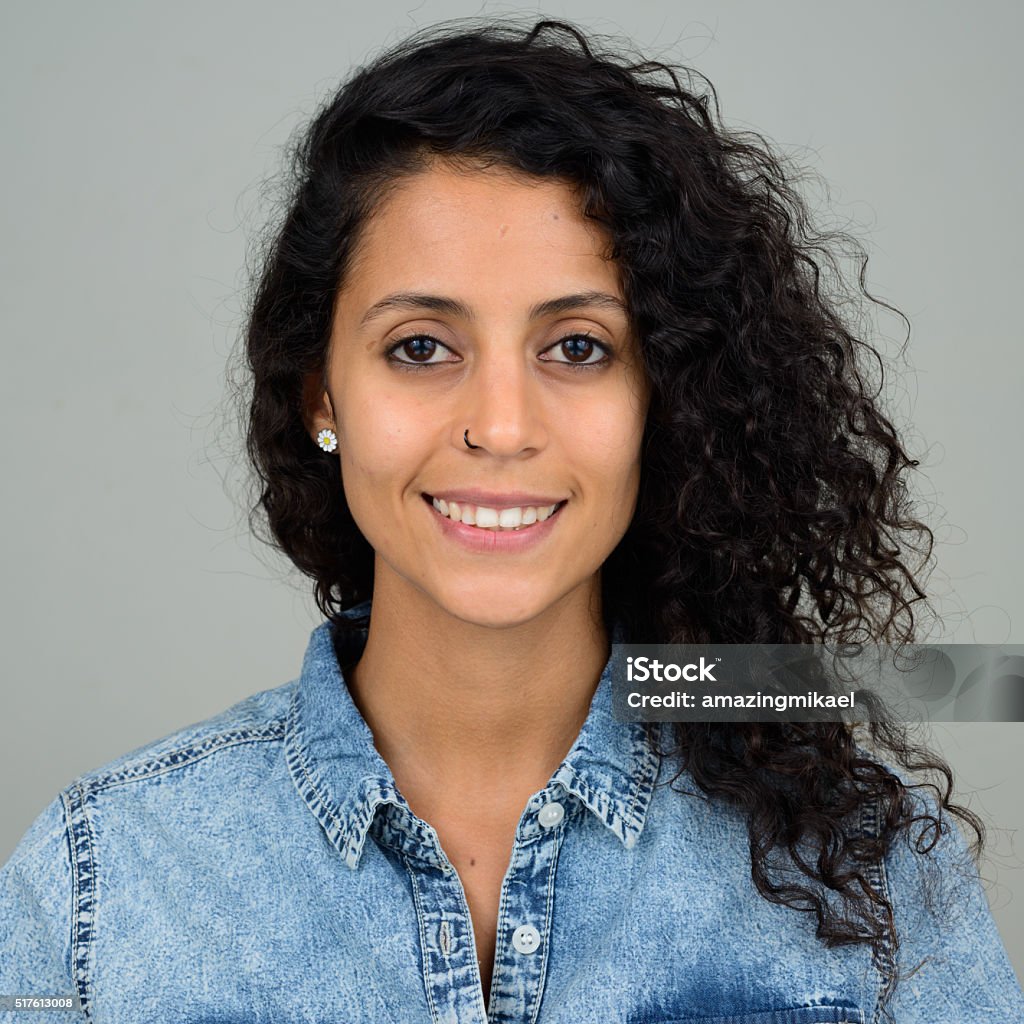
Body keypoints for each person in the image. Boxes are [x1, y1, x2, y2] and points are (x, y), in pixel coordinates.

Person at [2, 17, 1022, 1024]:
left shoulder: (871, 872)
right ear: (322, 397)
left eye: (577, 347)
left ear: (663, 401)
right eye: (418, 346)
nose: (500, 425)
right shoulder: (104, 880)